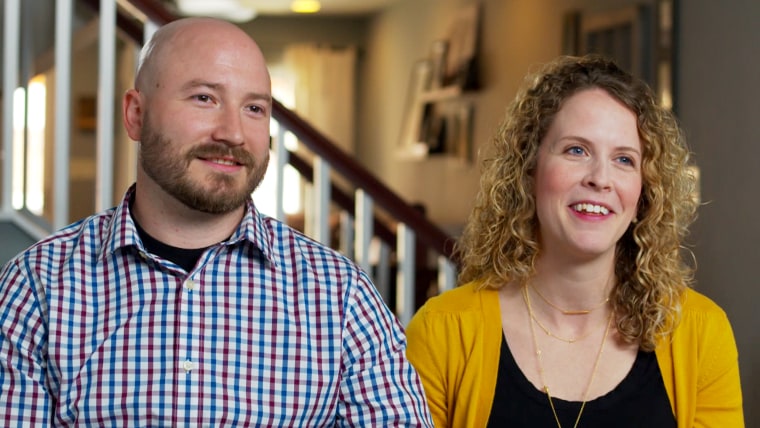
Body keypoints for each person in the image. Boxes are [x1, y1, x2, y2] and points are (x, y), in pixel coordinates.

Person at [0, 17, 433, 426]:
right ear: (135, 114)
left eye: (255, 109)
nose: (233, 133)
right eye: (204, 98)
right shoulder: (36, 285)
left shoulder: (342, 297)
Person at [406, 54, 743, 427]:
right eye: (576, 150)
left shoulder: (700, 331)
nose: (600, 178)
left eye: (624, 160)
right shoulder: (443, 330)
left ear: (644, 195)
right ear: (529, 171)